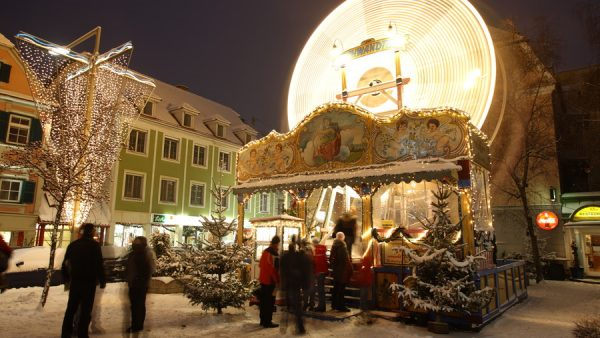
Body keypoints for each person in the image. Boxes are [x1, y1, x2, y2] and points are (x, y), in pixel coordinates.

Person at [61, 223, 106, 338]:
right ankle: (82, 333)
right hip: (89, 282)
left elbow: (65, 263)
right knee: (85, 310)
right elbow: (98, 264)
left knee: (71, 308)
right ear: (91, 232)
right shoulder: (94, 246)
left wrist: (66, 278)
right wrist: (102, 279)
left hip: (75, 281)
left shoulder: (73, 245)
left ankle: (66, 333)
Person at [280, 236, 311, 334]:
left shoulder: (285, 257)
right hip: (296, 284)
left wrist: (283, 283)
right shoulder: (299, 256)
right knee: (296, 305)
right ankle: (299, 326)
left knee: (291, 304)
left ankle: (286, 325)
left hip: (290, 283)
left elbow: (282, 270)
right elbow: (305, 269)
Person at [125, 236, 154, 333]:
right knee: (134, 305)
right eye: (135, 243)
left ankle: (137, 325)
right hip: (133, 283)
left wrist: (142, 280)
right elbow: (129, 267)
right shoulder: (133, 254)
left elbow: (149, 269)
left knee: (139, 305)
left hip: (140, 284)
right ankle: (135, 324)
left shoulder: (146, 254)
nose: (135, 245)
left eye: (137, 243)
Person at [258, 235, 280, 328]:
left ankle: (263, 320)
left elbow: (260, 265)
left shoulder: (265, 252)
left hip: (263, 280)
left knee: (263, 301)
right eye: (278, 244)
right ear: (276, 244)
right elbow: (272, 269)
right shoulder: (273, 254)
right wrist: (277, 280)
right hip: (270, 281)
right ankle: (267, 321)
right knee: (269, 302)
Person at [330, 232, 352, 312]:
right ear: (342, 238)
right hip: (342, 271)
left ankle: (334, 304)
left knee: (336, 288)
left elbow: (331, 259)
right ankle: (341, 305)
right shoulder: (342, 246)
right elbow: (345, 260)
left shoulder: (334, 246)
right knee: (341, 289)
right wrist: (350, 269)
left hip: (336, 271)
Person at [309, 237, 328, 312]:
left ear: (313, 243)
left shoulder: (315, 250)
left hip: (318, 272)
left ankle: (321, 307)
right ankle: (322, 306)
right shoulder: (323, 249)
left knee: (320, 290)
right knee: (321, 290)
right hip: (323, 271)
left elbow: (314, 262)